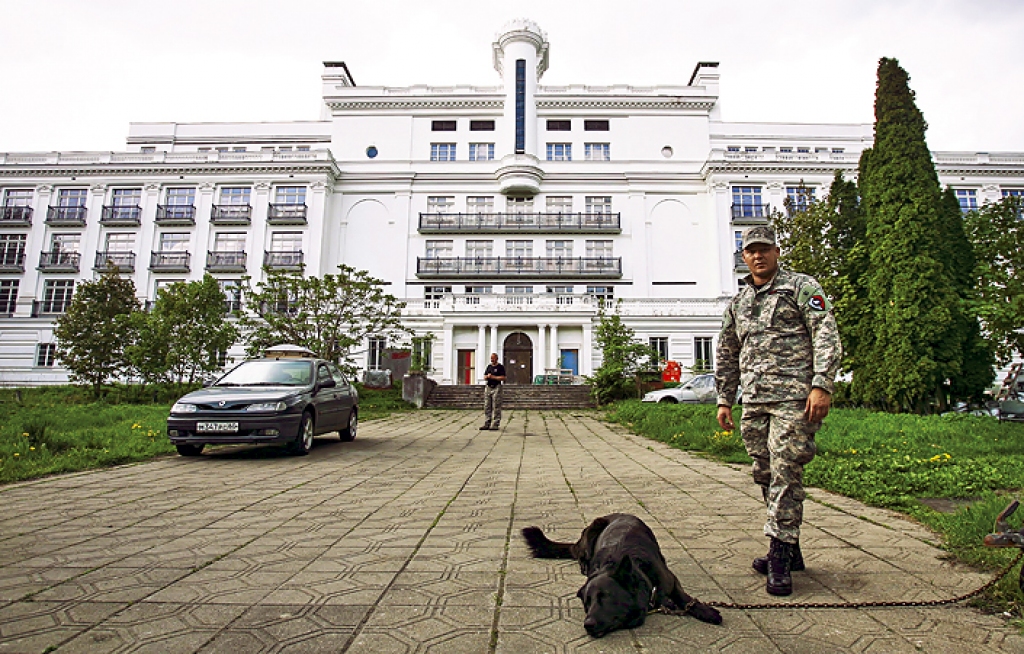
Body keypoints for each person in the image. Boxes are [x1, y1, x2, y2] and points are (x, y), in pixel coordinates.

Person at [715, 225, 842, 597]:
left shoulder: (801, 287)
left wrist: (822, 384)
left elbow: (825, 333)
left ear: (777, 252)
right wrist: (724, 398)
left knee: (786, 469)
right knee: (765, 472)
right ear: (744, 256)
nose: (758, 256)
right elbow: (727, 351)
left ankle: (779, 556)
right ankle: (791, 546)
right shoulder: (739, 302)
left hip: (794, 398)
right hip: (754, 400)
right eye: (751, 251)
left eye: (764, 249)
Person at [481, 353, 506, 430]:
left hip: (497, 387)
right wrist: (487, 377)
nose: (492, 360)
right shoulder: (489, 367)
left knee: (496, 405)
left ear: (497, 358)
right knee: (487, 405)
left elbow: (503, 377)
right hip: (488, 387)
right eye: (491, 358)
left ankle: (496, 423)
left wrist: (493, 377)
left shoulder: (500, 367)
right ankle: (487, 422)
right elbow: (485, 376)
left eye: (493, 358)